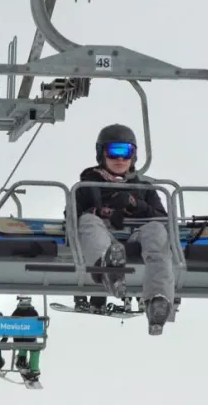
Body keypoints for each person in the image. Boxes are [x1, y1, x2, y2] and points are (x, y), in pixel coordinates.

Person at [74, 124, 175, 335]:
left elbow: (163, 219)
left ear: (134, 155)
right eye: (113, 152)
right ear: (102, 154)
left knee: (157, 230)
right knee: (87, 221)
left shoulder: (143, 188)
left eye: (126, 152)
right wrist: (99, 211)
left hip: (137, 235)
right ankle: (108, 268)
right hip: (105, 235)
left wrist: (136, 205)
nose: (119, 159)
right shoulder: (86, 187)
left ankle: (158, 300)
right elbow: (71, 219)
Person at [11, 296, 43, 387]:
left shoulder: (16, 312)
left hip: (18, 339)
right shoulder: (33, 312)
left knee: (23, 342)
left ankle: (22, 358)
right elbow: (38, 327)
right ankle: (34, 369)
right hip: (30, 339)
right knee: (35, 349)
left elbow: (10, 324)